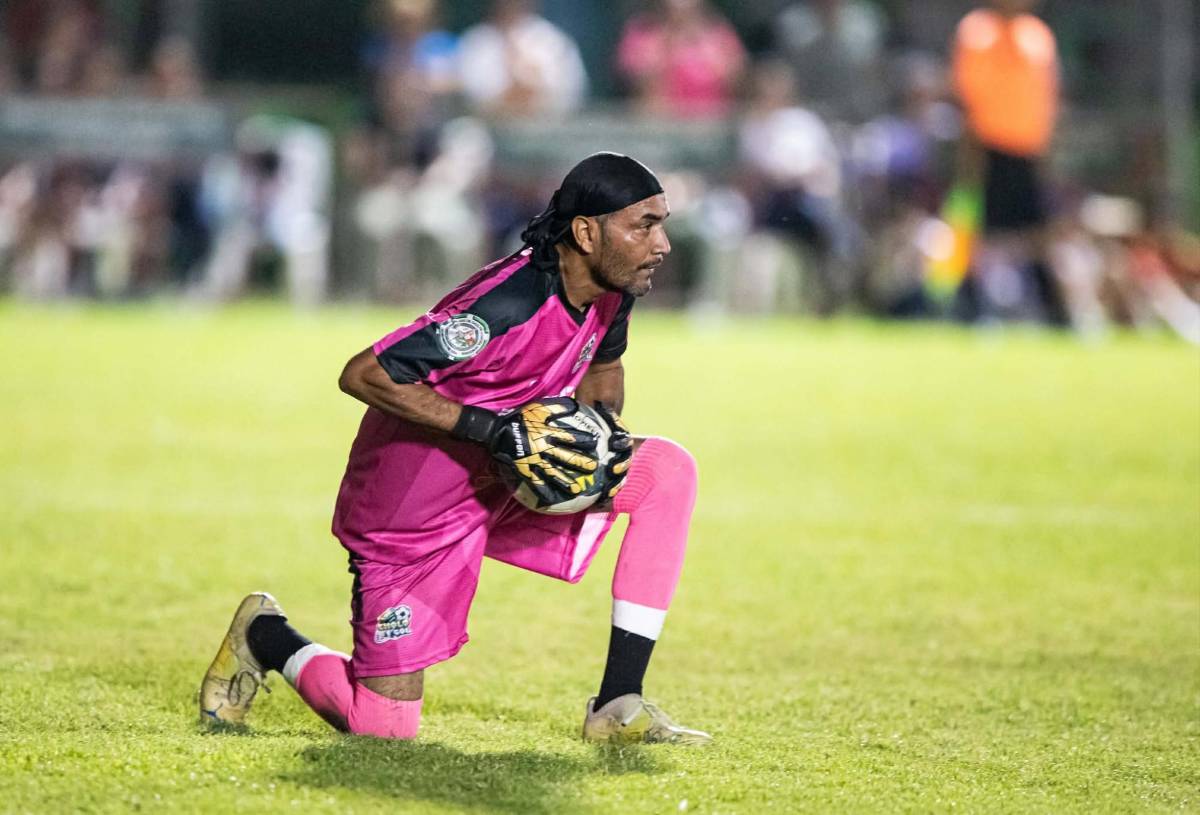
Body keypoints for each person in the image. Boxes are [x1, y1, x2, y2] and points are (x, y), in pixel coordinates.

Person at [199, 152, 712, 745]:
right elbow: (365, 374)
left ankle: (618, 706)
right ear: (586, 231)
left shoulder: (611, 287)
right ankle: (265, 635)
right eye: (644, 225)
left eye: (662, 222)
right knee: (382, 730)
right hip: (411, 508)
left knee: (665, 473)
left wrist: (598, 432)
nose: (662, 243)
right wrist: (494, 430)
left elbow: (604, 366)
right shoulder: (505, 304)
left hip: (509, 474)